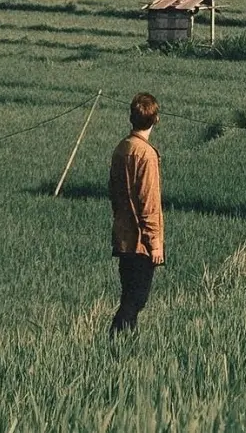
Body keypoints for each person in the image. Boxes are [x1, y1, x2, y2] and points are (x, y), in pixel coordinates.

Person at [108, 92, 164, 335]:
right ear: (156, 119)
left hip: (123, 237)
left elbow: (113, 191)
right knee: (136, 300)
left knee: (129, 295)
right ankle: (114, 340)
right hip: (141, 242)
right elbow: (149, 203)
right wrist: (155, 244)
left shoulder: (122, 148)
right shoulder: (147, 154)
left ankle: (125, 346)